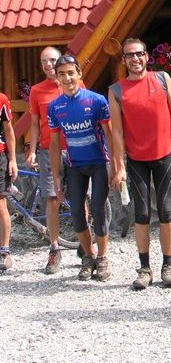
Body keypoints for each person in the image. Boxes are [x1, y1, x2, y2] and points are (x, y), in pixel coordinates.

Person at [109, 38, 171, 290]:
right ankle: (144, 269)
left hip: (164, 155)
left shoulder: (162, 79)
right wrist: (119, 165)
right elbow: (117, 132)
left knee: (166, 211)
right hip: (136, 160)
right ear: (123, 60)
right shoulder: (116, 91)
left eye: (139, 53)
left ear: (146, 56)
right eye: (129, 55)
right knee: (141, 214)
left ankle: (168, 266)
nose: (135, 59)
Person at [48, 55, 113, 281]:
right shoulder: (54, 107)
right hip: (75, 166)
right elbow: (54, 144)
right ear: (57, 78)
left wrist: (116, 165)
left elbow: (110, 134)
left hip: (99, 163)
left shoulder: (96, 100)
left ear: (79, 74)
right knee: (76, 213)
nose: (67, 78)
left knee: (97, 210)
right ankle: (88, 256)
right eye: (62, 74)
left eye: (70, 73)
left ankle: (102, 258)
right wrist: (56, 176)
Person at [26, 46, 85, 274]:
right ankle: (54, 248)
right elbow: (34, 123)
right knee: (51, 198)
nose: (48, 64)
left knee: (80, 198)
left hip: (76, 148)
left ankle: (84, 245)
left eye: (52, 60)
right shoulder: (37, 91)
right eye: (44, 61)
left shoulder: (76, 83)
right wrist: (31, 150)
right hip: (47, 150)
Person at [0, 93, 18, 272]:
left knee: (0, 204)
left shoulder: (2, 99)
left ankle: (5, 252)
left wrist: (13, 159)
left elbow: (9, 129)